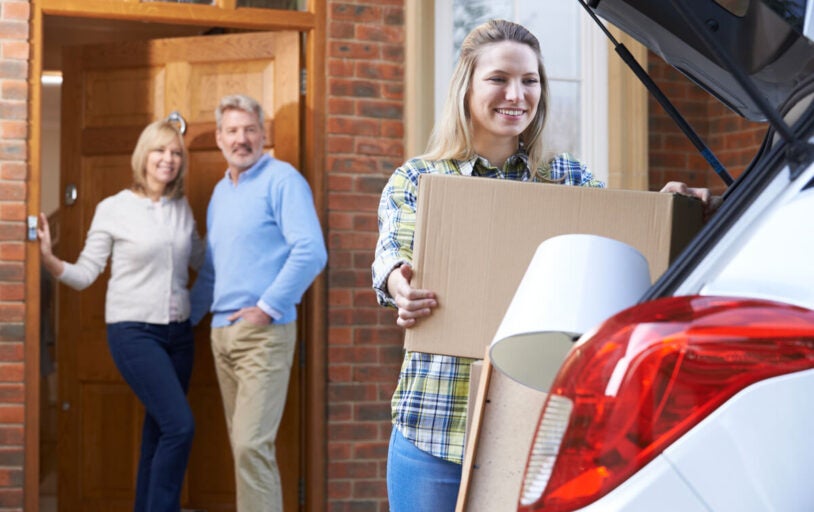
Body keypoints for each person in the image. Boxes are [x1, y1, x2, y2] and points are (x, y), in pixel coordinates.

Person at [372, 19, 715, 512]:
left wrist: (666, 211)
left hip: (530, 430)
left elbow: (620, 245)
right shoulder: (420, 178)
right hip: (434, 429)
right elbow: (393, 255)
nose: (516, 94)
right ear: (466, 85)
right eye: (498, 79)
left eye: (529, 80)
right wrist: (398, 283)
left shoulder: (567, 177)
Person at [38, 120, 204, 512]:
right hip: (134, 333)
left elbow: (202, 258)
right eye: (160, 150)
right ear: (143, 156)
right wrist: (48, 258)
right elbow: (84, 274)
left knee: (160, 430)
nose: (168, 159)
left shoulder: (181, 208)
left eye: (176, 153)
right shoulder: (113, 208)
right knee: (180, 426)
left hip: (180, 335)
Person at [189, 94, 327, 512]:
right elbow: (212, 269)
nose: (241, 138)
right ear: (219, 138)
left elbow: (311, 252)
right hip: (221, 334)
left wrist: (266, 308)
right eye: (232, 130)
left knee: (251, 445)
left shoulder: (282, 180)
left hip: (264, 333)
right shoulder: (219, 193)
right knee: (243, 448)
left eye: (250, 129)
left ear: (263, 135)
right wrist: (185, 320)